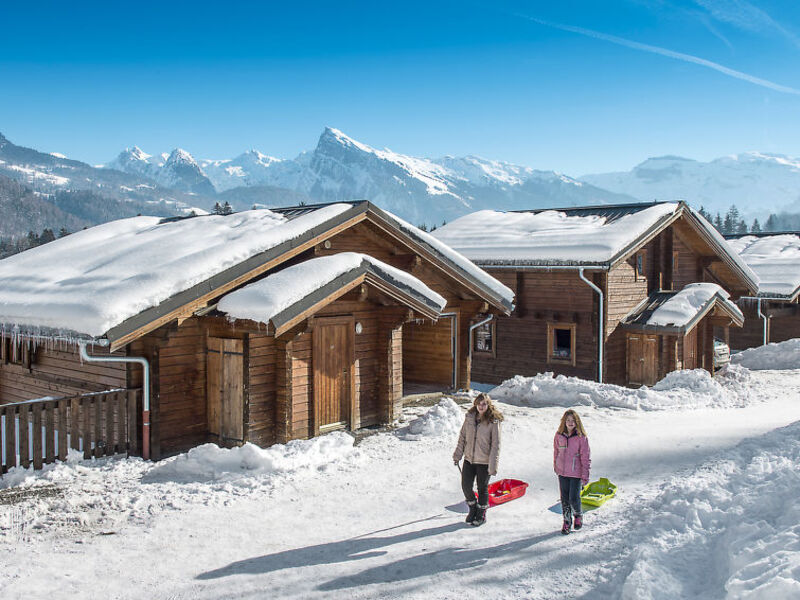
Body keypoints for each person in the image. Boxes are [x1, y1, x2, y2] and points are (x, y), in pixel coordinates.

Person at [453, 393, 503, 527]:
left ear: (488, 405)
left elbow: (495, 445)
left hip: (484, 461)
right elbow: (463, 437)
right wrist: (458, 455)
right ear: (475, 403)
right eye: (479, 403)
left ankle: (481, 514)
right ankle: (473, 508)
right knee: (466, 486)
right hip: (469, 459)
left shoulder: (493, 421)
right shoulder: (470, 418)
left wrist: (493, 465)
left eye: (484, 404)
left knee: (482, 488)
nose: (481, 406)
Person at [553, 409, 591, 535]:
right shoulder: (559, 435)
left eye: (573, 421)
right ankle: (567, 521)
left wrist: (585, 476)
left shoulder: (581, 438)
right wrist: (556, 465)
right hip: (562, 473)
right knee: (564, 499)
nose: (570, 423)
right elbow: (556, 452)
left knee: (574, 498)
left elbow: (585, 458)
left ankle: (578, 514)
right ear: (564, 422)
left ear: (577, 422)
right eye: (568, 420)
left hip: (576, 473)